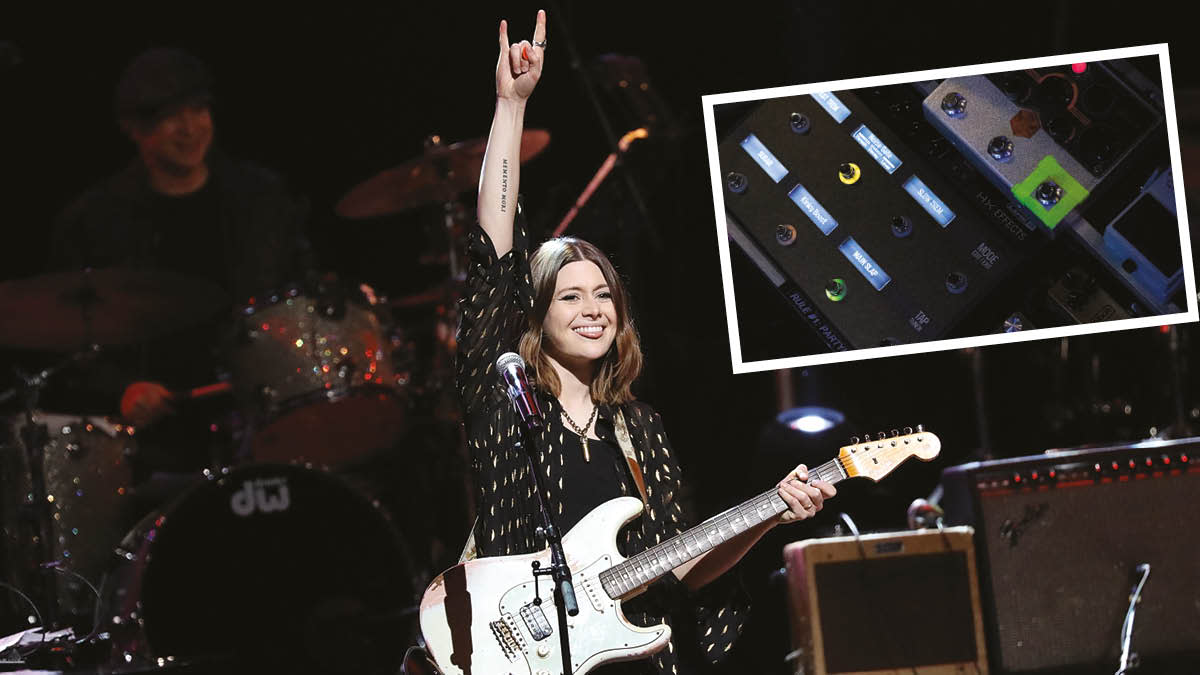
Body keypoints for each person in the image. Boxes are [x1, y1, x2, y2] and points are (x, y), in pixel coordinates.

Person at [455, 11, 837, 673]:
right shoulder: (504, 402)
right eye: (571, 296)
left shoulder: (638, 429)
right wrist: (511, 104)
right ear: (535, 315)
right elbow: (495, 238)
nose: (594, 310)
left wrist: (772, 514)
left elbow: (681, 568)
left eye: (604, 295)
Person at [49, 48, 311, 476]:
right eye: (170, 117)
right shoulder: (92, 222)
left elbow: (301, 295)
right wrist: (121, 390)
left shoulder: (262, 199)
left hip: (261, 417)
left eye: (198, 110)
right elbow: (67, 345)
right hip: (152, 444)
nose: (189, 129)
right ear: (132, 129)